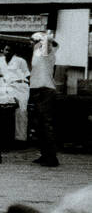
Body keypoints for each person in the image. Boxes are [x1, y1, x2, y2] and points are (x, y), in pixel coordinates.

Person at [29, 34, 59, 167]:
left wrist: (42, 37)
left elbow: (49, 39)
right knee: (39, 124)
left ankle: (52, 158)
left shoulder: (46, 51)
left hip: (45, 90)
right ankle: (45, 154)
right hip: (37, 89)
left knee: (45, 124)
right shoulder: (37, 54)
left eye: (33, 41)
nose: (31, 43)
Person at [1, 47, 31, 142]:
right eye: (5, 49)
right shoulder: (0, 61)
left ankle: (21, 139)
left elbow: (27, 74)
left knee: (21, 110)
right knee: (3, 109)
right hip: (6, 87)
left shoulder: (20, 61)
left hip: (20, 86)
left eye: (9, 50)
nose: (7, 51)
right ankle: (5, 137)